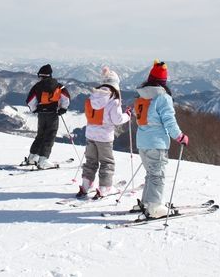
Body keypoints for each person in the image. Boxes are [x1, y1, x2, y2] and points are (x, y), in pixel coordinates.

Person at [134, 60, 189, 218]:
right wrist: (180, 136)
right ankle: (155, 207)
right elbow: (169, 121)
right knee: (157, 176)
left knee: (151, 174)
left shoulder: (142, 96)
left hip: (142, 143)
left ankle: (146, 203)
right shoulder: (163, 98)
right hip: (156, 142)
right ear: (163, 82)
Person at [78, 67, 131, 199]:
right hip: (105, 136)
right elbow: (117, 119)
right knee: (107, 162)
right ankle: (105, 187)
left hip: (90, 133)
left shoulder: (93, 96)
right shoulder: (113, 99)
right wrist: (127, 116)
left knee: (90, 161)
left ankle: (86, 185)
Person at [25, 64, 71, 169]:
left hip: (41, 115)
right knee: (49, 136)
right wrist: (63, 109)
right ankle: (43, 160)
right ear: (50, 74)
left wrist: (35, 109)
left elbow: (30, 101)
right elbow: (66, 98)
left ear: (41, 75)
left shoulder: (37, 87)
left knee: (40, 135)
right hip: (53, 114)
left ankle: (32, 158)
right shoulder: (59, 86)